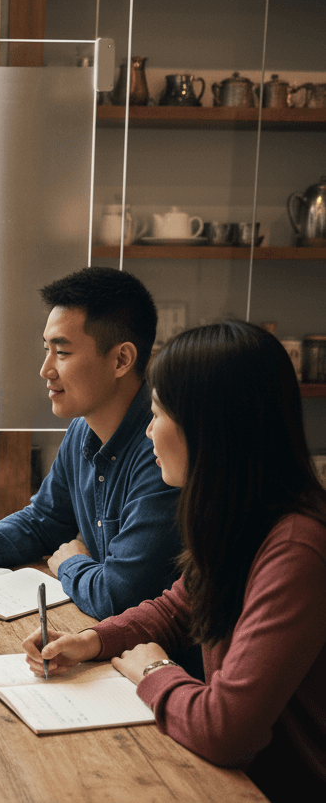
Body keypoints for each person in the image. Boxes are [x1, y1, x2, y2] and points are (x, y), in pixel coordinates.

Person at [22, 321, 326, 799]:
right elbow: (174, 610)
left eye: (158, 413)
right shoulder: (239, 517)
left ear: (209, 429)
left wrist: (153, 671)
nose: (148, 430)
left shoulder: (296, 549)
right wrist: (91, 640)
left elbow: (226, 730)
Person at [0, 267, 181, 619]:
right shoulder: (83, 430)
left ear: (121, 359)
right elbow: (43, 522)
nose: (45, 369)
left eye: (62, 353)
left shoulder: (162, 453)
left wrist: (71, 562)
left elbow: (118, 595)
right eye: (46, 350)